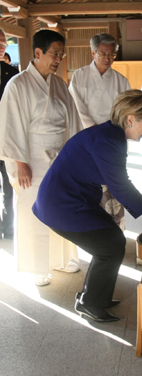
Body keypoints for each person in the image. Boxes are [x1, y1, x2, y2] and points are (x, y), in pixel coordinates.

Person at [33, 90, 142, 323]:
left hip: (72, 200)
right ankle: (90, 303)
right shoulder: (108, 140)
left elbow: (119, 183)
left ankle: (93, 297)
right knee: (110, 245)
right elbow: (121, 186)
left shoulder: (110, 135)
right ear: (131, 119)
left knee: (111, 240)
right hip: (61, 204)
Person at [0, 29, 83, 286]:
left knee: (62, 207)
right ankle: (37, 267)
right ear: (37, 53)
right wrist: (19, 163)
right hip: (32, 158)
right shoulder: (18, 84)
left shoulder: (59, 84)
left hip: (59, 158)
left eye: (61, 54)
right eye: (54, 54)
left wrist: (75, 156)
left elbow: (72, 122)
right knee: (33, 211)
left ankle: (61, 258)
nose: (58, 59)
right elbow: (10, 125)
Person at [69, 33, 131, 231]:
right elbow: (75, 105)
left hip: (111, 138)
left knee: (114, 182)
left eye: (111, 54)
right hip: (86, 138)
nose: (107, 58)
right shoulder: (80, 75)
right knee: (90, 183)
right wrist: (92, 129)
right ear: (93, 52)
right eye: (103, 53)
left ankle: (115, 226)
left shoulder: (121, 80)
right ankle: (91, 227)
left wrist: (110, 133)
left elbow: (126, 110)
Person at [0, 29, 19, 240]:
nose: (2, 46)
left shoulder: (12, 74)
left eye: (4, 43)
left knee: (9, 185)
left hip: (7, 137)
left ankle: (9, 227)